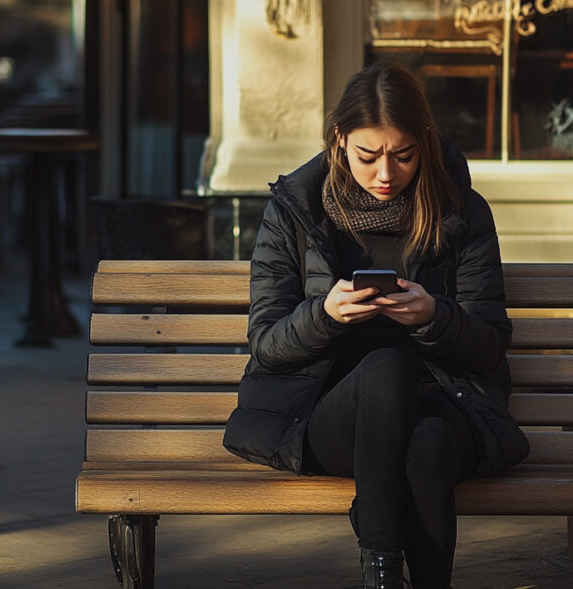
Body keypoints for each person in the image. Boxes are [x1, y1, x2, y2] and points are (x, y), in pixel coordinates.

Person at [222, 61, 529, 588]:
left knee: (429, 442)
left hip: (446, 402)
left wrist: (435, 318)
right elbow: (267, 344)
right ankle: (381, 573)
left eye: (404, 155)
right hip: (325, 412)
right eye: (368, 156)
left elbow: (489, 347)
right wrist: (324, 316)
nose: (386, 174)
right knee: (386, 367)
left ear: (425, 143)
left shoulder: (463, 213)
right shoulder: (294, 212)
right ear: (339, 140)